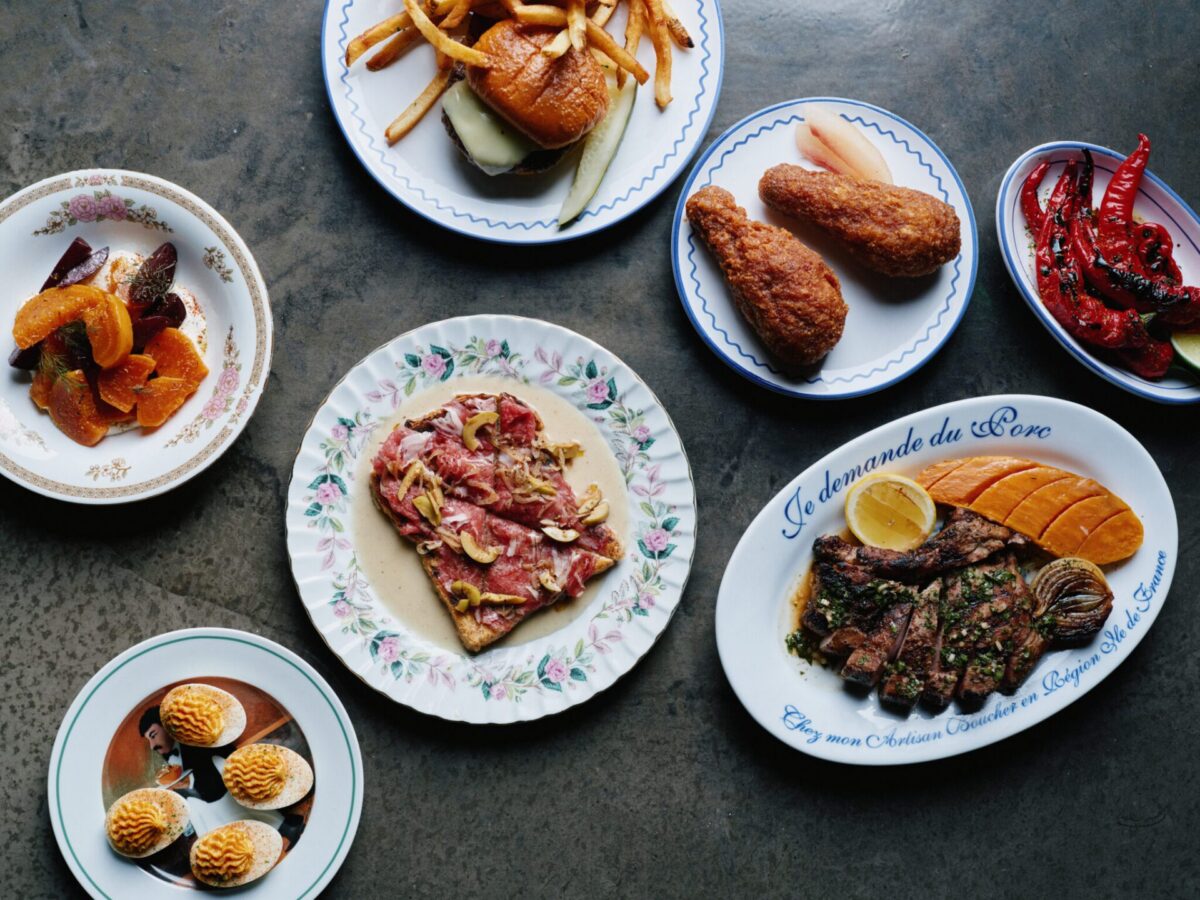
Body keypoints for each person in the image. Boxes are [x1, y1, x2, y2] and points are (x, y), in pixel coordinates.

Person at [138, 705, 305, 847]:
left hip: (223, 784)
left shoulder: (193, 740)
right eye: (149, 741)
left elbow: (210, 779)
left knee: (227, 807)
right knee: (198, 810)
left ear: (167, 726)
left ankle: (285, 829)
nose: (152, 746)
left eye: (153, 736)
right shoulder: (172, 757)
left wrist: (188, 788)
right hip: (209, 790)